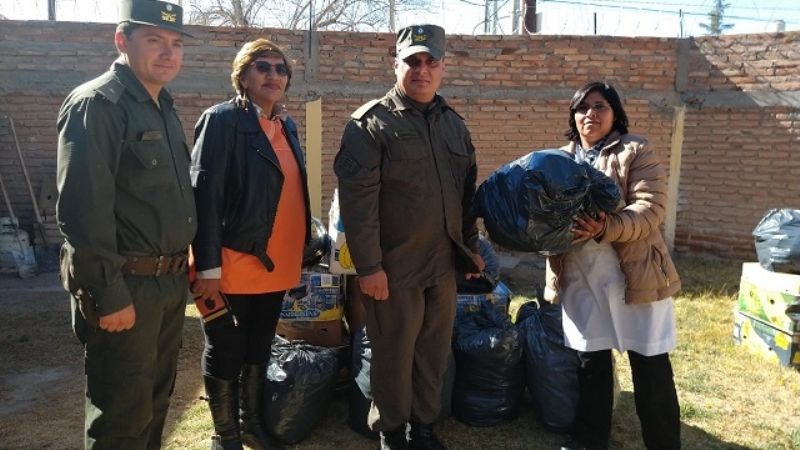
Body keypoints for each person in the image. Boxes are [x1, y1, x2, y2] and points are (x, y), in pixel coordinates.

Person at [334, 24, 484, 450]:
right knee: (393, 356)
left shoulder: (453, 125)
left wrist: (470, 250)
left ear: (443, 67)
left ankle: (423, 428)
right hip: (393, 269)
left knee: (433, 354)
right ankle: (393, 433)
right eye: (412, 61)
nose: (422, 70)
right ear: (395, 64)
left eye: (430, 61)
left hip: (442, 266)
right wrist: (369, 268)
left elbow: (466, 195)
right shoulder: (370, 124)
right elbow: (357, 206)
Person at [55, 1, 195, 448]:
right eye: (154, 40)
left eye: (176, 43)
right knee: (121, 419)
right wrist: (108, 293)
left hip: (167, 284)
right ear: (122, 41)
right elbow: (82, 212)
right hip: (126, 285)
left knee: (154, 406)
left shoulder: (162, 106)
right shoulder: (97, 104)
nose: (168, 53)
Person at [546, 81, 683, 450]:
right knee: (590, 363)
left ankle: (663, 444)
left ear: (615, 113)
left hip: (633, 274)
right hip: (580, 275)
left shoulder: (635, 150)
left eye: (600, 106)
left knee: (649, 364)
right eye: (582, 107)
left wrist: (606, 227)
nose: (590, 113)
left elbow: (650, 208)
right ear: (573, 116)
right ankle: (589, 440)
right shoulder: (558, 160)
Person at [190, 38, 311, 450]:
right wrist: (207, 265)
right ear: (242, 76)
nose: (273, 75)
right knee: (226, 347)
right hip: (232, 261)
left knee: (260, 346)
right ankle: (224, 437)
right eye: (263, 67)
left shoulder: (286, 126)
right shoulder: (221, 120)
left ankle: (250, 425)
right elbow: (204, 194)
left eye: (281, 68)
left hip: (277, 262)